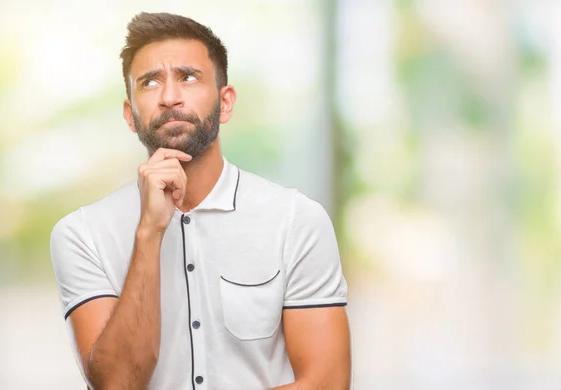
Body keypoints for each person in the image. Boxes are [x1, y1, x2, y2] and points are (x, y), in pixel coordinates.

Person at [49, 11, 351, 390]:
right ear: (130, 115)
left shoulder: (296, 220)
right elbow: (116, 384)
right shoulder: (81, 235)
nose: (170, 98)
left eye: (188, 78)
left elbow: (327, 382)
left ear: (225, 103)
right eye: (150, 82)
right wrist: (149, 233)